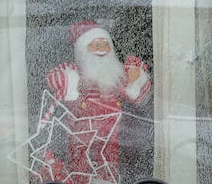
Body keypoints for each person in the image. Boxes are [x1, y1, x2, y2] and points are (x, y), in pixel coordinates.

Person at [44, 20, 152, 184]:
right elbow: (55, 79)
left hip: (112, 132)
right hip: (81, 131)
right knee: (80, 161)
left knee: (108, 161)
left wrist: (136, 80)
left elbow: (136, 96)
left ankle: (107, 179)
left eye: (105, 43)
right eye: (95, 44)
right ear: (83, 50)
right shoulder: (78, 75)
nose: (102, 48)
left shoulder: (114, 77)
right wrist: (69, 83)